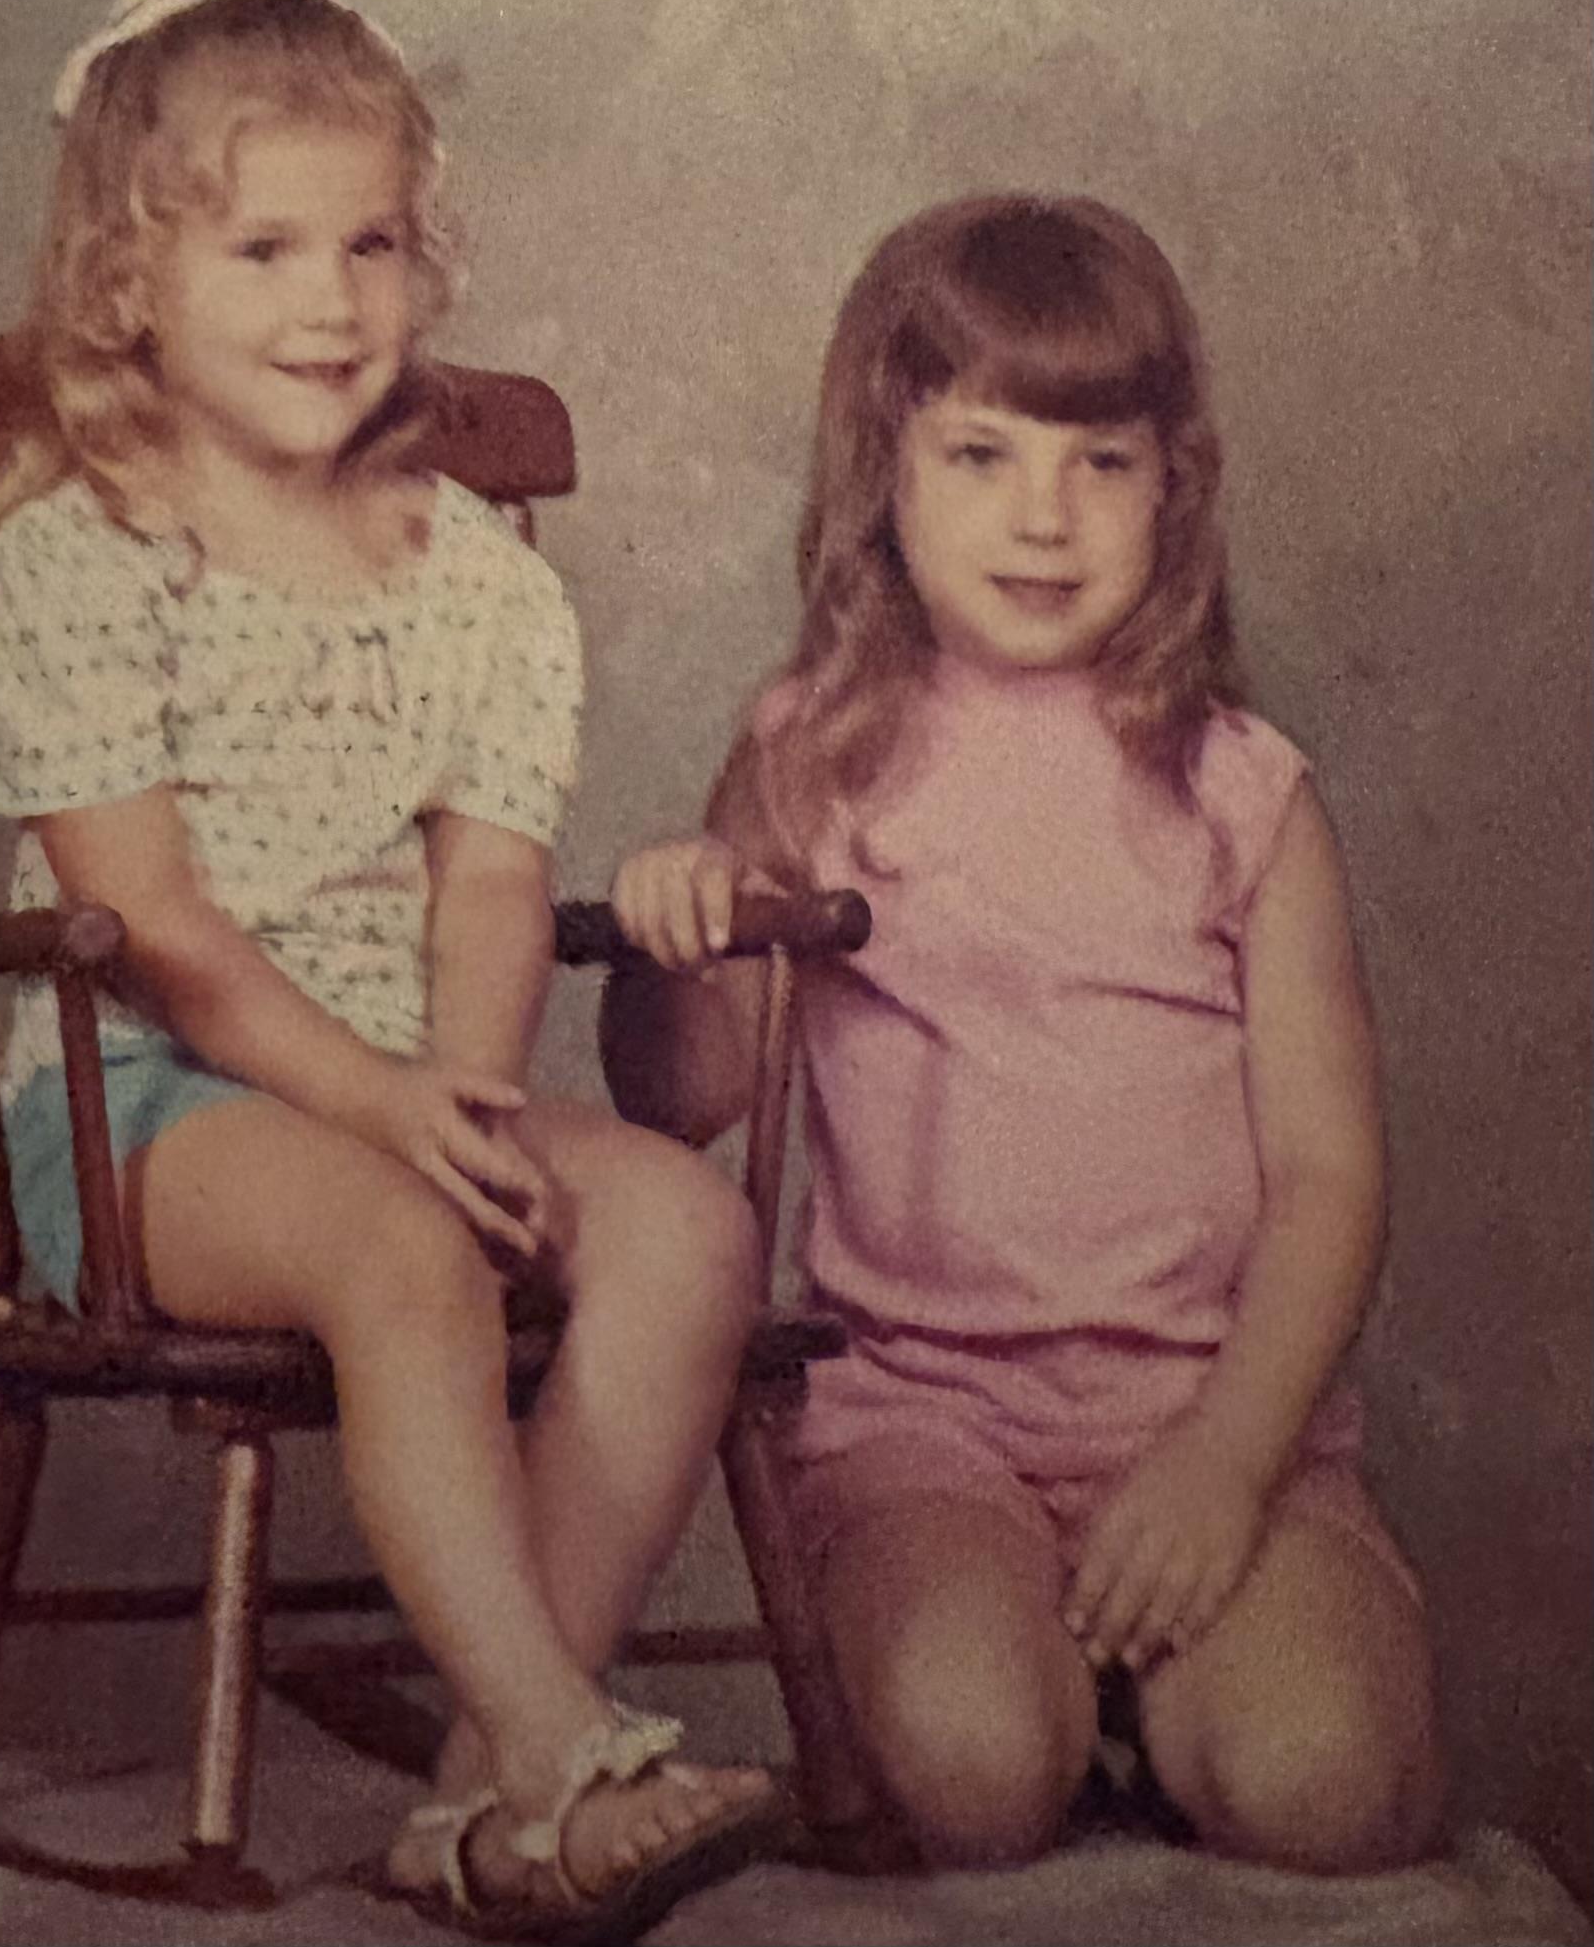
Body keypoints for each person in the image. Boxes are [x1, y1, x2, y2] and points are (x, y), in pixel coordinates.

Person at [0, 0, 779, 1942]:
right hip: (147, 1107)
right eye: (262, 249)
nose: (328, 300)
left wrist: (470, 1098)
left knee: (686, 1232)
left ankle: (480, 1794)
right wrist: (395, 1117)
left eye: (372, 245)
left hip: (412, 1074)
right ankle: (566, 1743)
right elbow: (155, 930)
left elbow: (490, 890)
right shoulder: (83, 550)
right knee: (405, 1239)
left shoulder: (475, 583)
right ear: (130, 281)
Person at [603, 195, 1444, 1875]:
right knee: (975, 1774)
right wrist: (673, 927)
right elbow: (678, 1093)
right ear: (885, 480)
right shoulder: (812, 755)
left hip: (1214, 1415)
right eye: (981, 455)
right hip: (921, 1428)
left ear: (1173, 487)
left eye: (1100, 462)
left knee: (1322, 1787)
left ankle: (1215, 1675)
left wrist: (1225, 1464)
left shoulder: (1242, 790)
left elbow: (1332, 1175)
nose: (1043, 515)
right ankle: (1041, 1685)